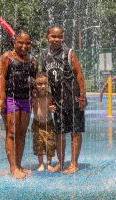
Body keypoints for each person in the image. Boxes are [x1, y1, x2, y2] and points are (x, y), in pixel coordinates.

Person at [41, 25, 87, 174]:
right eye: (53, 36)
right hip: (57, 101)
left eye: (60, 36)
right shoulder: (44, 55)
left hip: (73, 99)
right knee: (59, 133)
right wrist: (48, 101)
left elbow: (79, 74)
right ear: (47, 37)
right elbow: (44, 80)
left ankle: (74, 163)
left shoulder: (69, 53)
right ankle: (61, 163)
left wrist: (82, 96)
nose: (57, 39)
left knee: (75, 131)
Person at [0, 30, 38, 179]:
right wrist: (1, 99)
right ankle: (13, 168)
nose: (24, 46)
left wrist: (36, 93)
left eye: (27, 43)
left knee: (22, 133)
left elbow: (34, 80)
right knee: (12, 133)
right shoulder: (7, 58)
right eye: (21, 42)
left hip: (26, 100)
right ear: (14, 42)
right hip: (10, 99)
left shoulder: (33, 61)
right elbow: (1, 78)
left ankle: (19, 165)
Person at [31, 72, 56, 172]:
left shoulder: (50, 96)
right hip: (37, 124)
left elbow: (53, 107)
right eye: (40, 84)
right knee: (39, 144)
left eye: (45, 83)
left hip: (48, 123)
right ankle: (41, 164)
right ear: (35, 85)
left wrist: (51, 108)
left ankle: (49, 163)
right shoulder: (34, 97)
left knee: (49, 144)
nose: (43, 86)